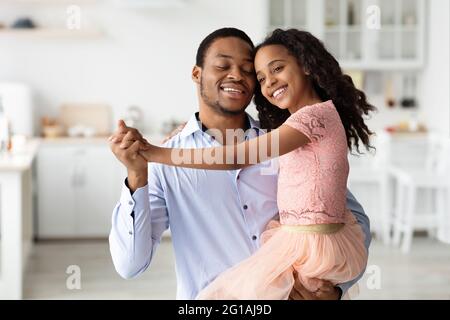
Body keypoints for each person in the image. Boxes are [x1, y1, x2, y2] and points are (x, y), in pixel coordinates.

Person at [109, 28, 372, 300]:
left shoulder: (285, 143)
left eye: (248, 70)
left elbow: (350, 219)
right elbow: (130, 265)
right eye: (223, 65)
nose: (236, 75)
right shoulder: (168, 158)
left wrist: (336, 290)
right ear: (197, 74)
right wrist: (137, 173)